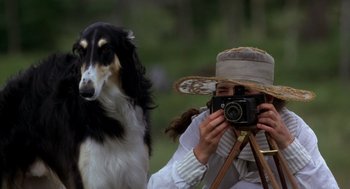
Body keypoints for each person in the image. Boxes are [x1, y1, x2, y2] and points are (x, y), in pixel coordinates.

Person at [147, 47, 339, 189]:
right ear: (214, 97)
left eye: (243, 92)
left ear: (267, 98)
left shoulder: (292, 128)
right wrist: (200, 153)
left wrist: (288, 144)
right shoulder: (205, 125)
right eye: (223, 91)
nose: (233, 101)